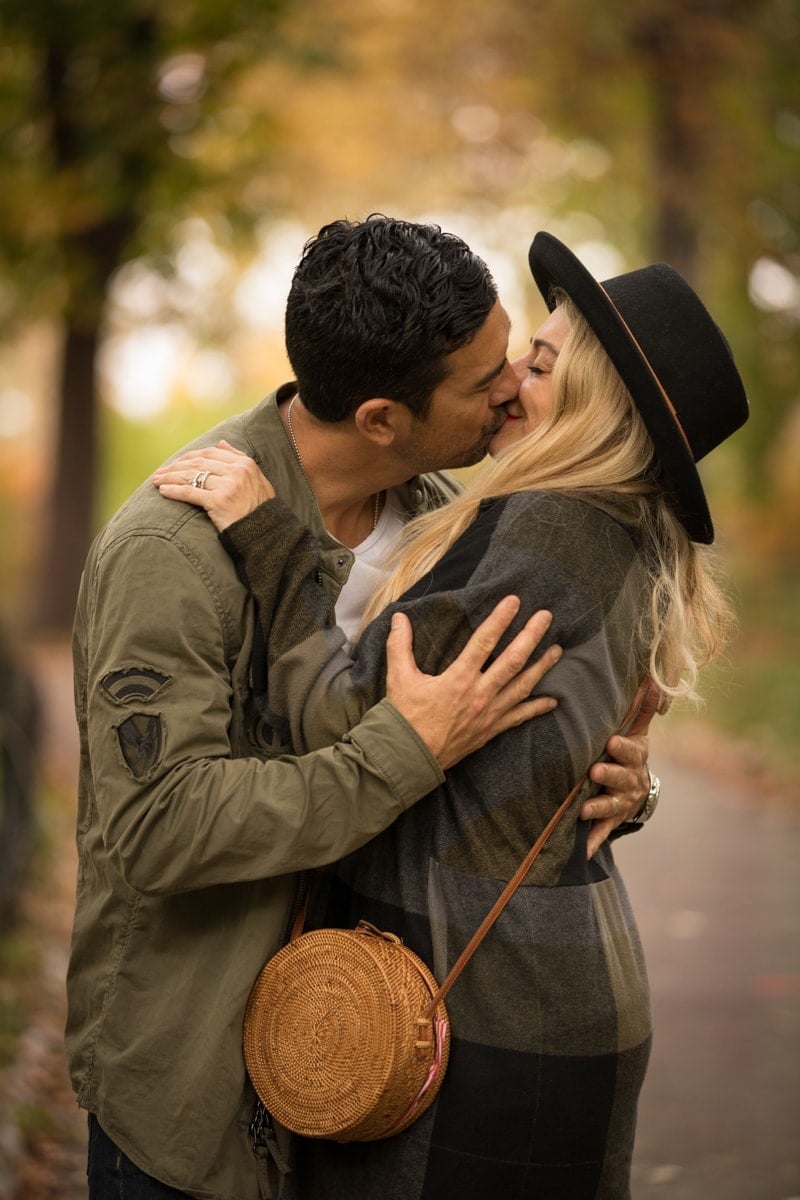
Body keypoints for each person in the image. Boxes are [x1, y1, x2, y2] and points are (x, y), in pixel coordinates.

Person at [68, 216, 652, 1200]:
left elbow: (476, 758)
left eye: (512, 354)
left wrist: (611, 781)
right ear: (381, 417)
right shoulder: (171, 553)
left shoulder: (439, 528)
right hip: (198, 1097)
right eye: (485, 379)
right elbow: (158, 829)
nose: (514, 385)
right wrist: (401, 749)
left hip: (365, 1086)